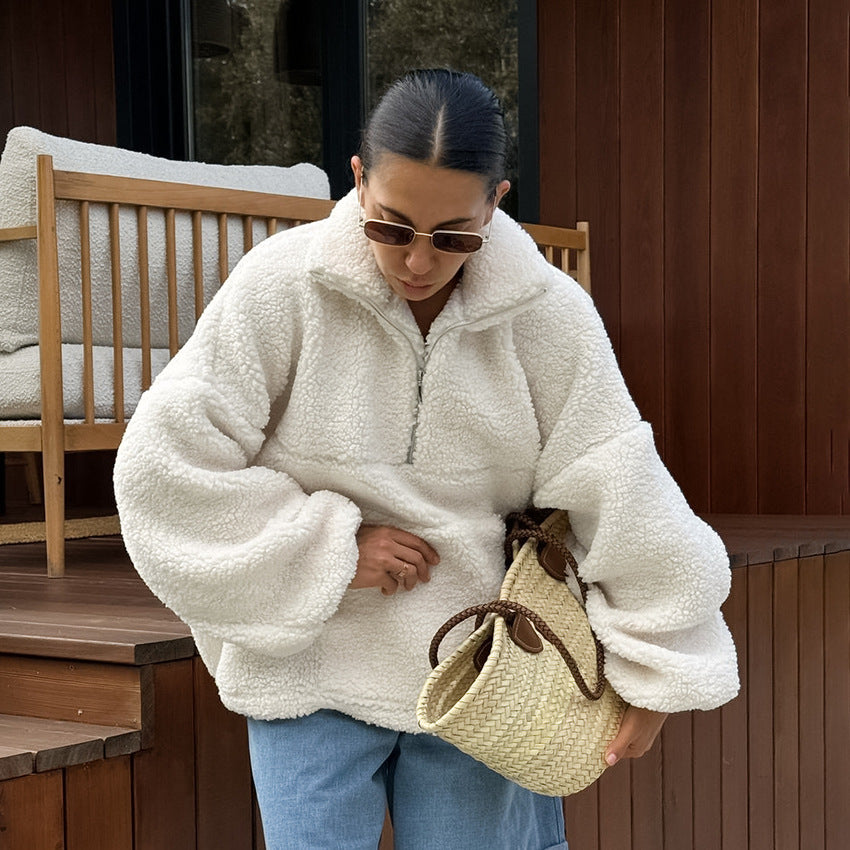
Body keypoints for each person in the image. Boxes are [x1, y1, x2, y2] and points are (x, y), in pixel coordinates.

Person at [114, 69, 739, 850]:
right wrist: (329, 549)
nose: (417, 260)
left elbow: (619, 485)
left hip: (483, 666)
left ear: (496, 201)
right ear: (358, 180)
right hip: (311, 662)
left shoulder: (551, 316)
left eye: (453, 236)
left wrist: (663, 666)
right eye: (391, 225)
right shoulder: (282, 283)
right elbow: (162, 467)